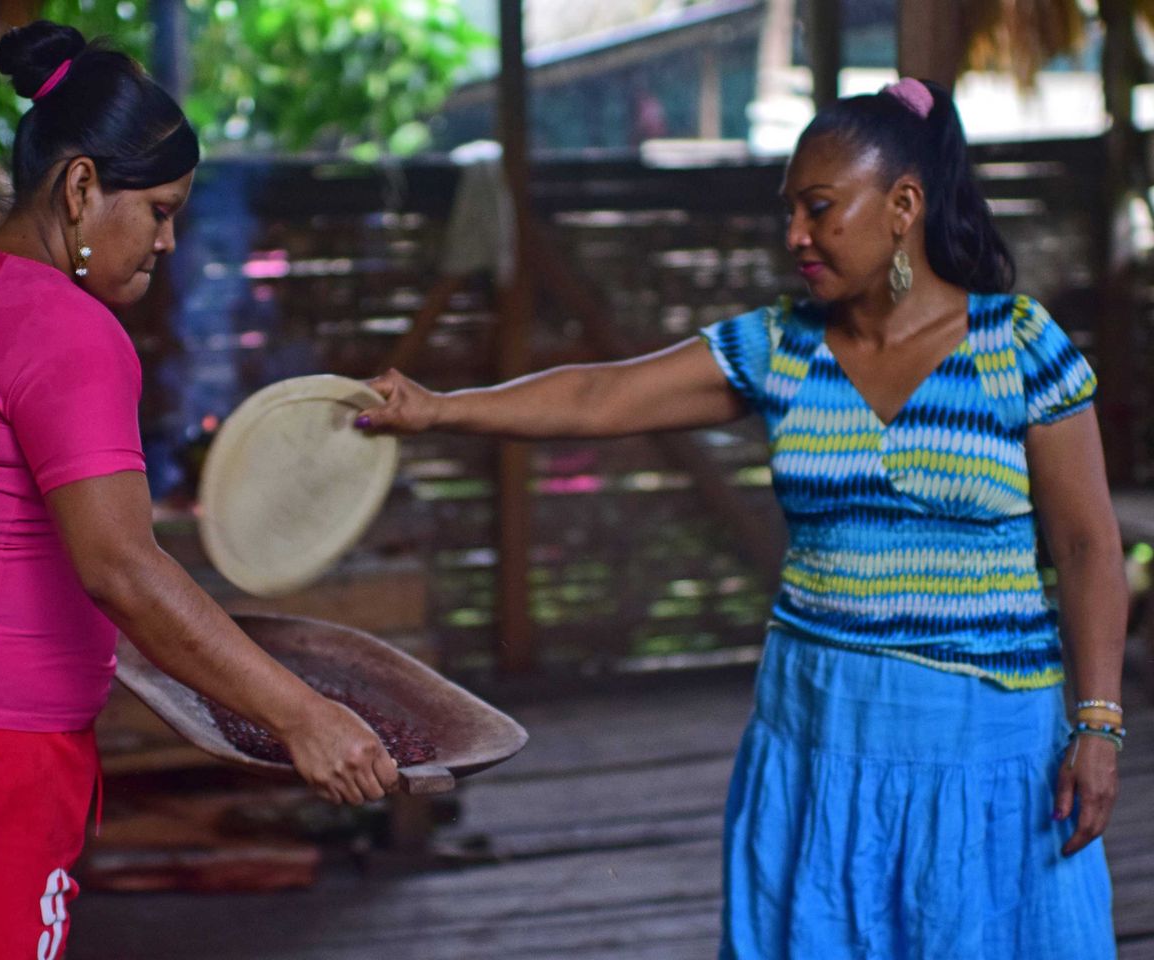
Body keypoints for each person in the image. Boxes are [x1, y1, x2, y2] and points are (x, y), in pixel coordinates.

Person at [356, 78, 1125, 958]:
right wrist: (441, 408)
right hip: (817, 738)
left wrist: (1097, 725)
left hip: (988, 751)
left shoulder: (1020, 346)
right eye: (790, 211)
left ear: (904, 206)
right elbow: (603, 394)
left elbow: (1088, 543)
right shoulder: (782, 348)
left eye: (820, 208)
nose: (795, 235)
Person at [0, 21, 399, 960]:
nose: (167, 241)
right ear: (80, 188)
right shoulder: (65, 330)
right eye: (156, 210)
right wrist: (303, 717)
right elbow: (120, 565)